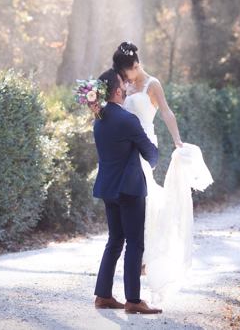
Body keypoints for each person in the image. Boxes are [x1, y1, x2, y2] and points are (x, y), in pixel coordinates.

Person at [113, 41, 214, 303]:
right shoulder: (125, 85)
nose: (125, 77)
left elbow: (167, 113)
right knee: (142, 201)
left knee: (144, 198)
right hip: (125, 148)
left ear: (136, 65)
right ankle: (142, 256)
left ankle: (144, 257)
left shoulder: (152, 84)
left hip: (143, 146)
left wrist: (177, 140)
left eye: (127, 71)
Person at [91, 68, 163, 314]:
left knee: (114, 240)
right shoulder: (127, 119)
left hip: (108, 188)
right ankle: (133, 300)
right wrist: (155, 151)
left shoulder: (98, 119)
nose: (126, 88)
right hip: (130, 188)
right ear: (117, 91)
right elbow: (150, 153)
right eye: (123, 84)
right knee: (134, 242)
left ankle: (103, 295)